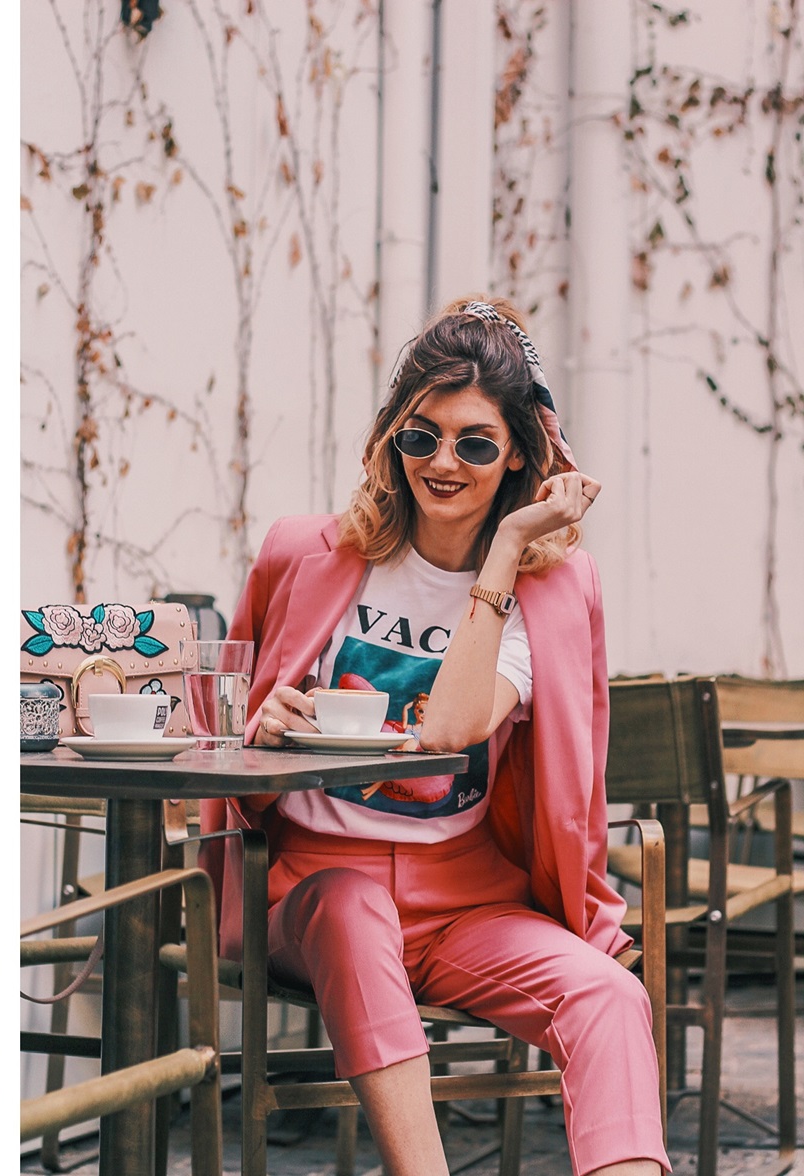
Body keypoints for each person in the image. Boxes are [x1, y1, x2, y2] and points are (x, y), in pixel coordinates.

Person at [202, 296, 668, 1175]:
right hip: (311, 883)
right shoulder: (305, 553)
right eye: (421, 436)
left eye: (476, 444)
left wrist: (506, 551)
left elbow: (452, 729)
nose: (443, 463)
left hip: (467, 901)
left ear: (518, 458)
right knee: (350, 906)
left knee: (607, 995)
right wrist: (262, 731)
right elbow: (230, 762)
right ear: (391, 440)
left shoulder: (552, 591)